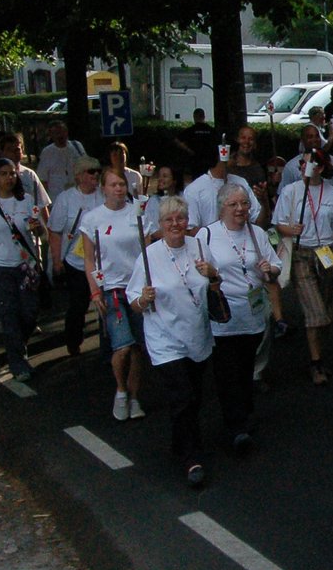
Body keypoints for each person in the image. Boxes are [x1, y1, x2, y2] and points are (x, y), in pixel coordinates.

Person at [126, 196, 217, 488]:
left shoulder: (199, 247)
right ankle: (192, 459)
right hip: (165, 339)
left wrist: (211, 274)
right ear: (161, 225)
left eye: (180, 218)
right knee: (182, 397)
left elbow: (215, 282)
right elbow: (134, 302)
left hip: (197, 333)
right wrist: (144, 298)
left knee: (194, 396)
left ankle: (181, 442)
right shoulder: (149, 256)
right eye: (169, 220)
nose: (176, 224)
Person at [196, 184, 280, 457]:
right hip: (223, 314)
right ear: (222, 207)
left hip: (253, 313)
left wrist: (270, 269)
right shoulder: (207, 234)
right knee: (226, 372)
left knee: (245, 368)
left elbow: (276, 265)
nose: (240, 209)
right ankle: (236, 426)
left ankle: (244, 411)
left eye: (244, 203)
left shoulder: (257, 233)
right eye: (234, 204)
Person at [273, 147, 333, 385]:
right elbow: (278, 224)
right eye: (305, 164)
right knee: (315, 311)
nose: (309, 168)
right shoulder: (291, 192)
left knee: (327, 308)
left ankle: (318, 354)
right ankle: (315, 362)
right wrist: (290, 229)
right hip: (301, 254)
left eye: (314, 163)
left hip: (327, 252)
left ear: (323, 167)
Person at [80, 168, 150, 421]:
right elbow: (89, 259)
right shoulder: (93, 218)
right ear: (103, 189)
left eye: (122, 184)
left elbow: (149, 247)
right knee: (122, 345)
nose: (119, 189)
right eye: (113, 185)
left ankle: (134, 397)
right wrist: (94, 291)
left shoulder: (138, 213)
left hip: (137, 287)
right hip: (111, 289)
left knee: (137, 348)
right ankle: (121, 389)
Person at [0, 157, 46, 382]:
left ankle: (18, 343)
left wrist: (36, 228)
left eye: (12, 173)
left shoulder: (27, 200)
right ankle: (18, 362)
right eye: (3, 174)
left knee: (29, 312)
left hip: (26, 265)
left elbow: (39, 231)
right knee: (9, 313)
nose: (9, 178)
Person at [48, 156, 104, 356]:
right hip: (76, 263)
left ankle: (108, 345)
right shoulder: (66, 198)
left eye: (97, 171)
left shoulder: (104, 196)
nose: (95, 175)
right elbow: (55, 231)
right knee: (78, 305)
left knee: (106, 304)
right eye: (91, 172)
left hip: (102, 262)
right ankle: (73, 342)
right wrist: (56, 261)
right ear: (79, 176)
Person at [184, 147, 261, 233]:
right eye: (234, 157)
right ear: (224, 157)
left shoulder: (241, 182)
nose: (238, 161)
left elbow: (258, 220)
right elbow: (190, 230)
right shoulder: (194, 189)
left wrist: (264, 201)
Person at [280, 124, 333, 193]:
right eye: (310, 137)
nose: (315, 140)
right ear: (303, 140)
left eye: (317, 136)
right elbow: (282, 193)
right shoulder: (291, 166)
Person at [37, 119, 87, 197]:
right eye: (57, 133)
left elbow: (87, 166)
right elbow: (42, 179)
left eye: (63, 132)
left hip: (78, 194)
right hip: (57, 196)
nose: (60, 135)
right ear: (51, 135)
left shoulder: (77, 146)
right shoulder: (47, 152)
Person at [174, 108, 218, 176]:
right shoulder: (211, 130)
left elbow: (177, 140)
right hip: (209, 161)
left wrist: (188, 150)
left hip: (195, 161)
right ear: (204, 117)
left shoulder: (191, 130)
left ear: (194, 117)